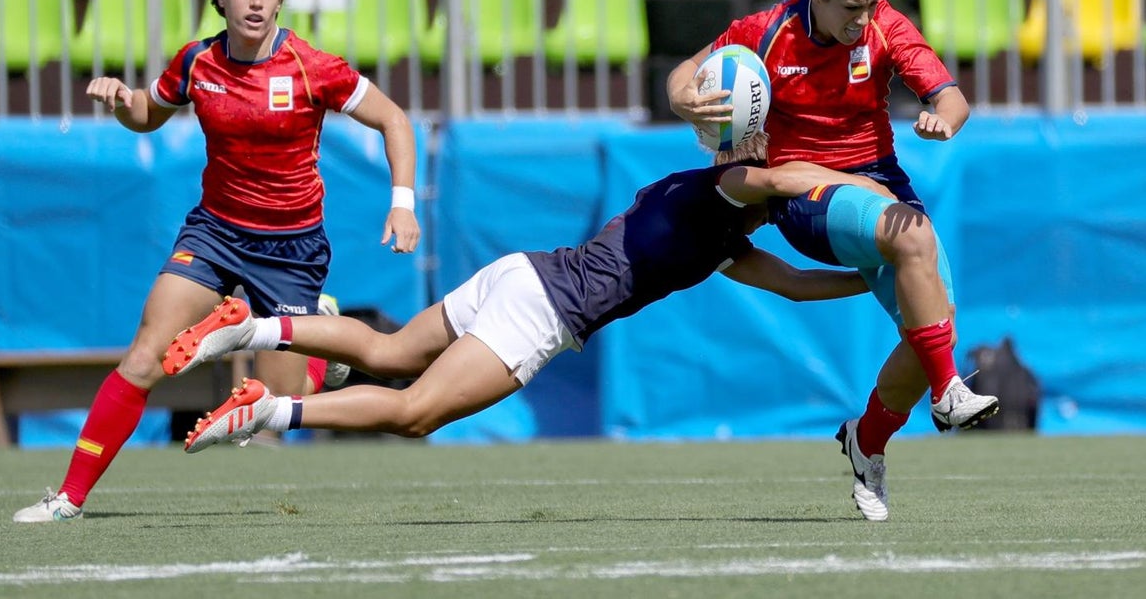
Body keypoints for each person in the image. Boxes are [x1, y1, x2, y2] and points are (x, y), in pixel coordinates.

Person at [13, 0, 421, 523]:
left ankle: (318, 352)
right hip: (214, 234)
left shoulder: (311, 66)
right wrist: (120, 102)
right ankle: (68, 498)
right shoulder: (196, 63)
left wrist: (402, 204)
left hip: (290, 249)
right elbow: (144, 114)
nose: (257, 3)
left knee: (277, 409)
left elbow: (393, 119)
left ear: (281, 1)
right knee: (144, 357)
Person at [161, 137, 891, 454]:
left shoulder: (721, 237)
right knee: (415, 413)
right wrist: (857, 185)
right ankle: (272, 408)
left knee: (387, 350)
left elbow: (794, 286)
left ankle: (251, 329)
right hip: (542, 309)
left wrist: (871, 277)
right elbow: (776, 179)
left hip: (520, 274)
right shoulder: (724, 189)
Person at [667, 0, 997, 521]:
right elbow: (688, 70)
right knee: (918, 246)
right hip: (803, 196)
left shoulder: (886, 27)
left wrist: (941, 122)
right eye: (851, 7)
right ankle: (951, 393)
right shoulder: (766, 30)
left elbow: (951, 99)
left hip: (879, 178)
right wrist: (687, 98)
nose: (863, 20)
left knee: (934, 334)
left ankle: (866, 442)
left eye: (871, 6)